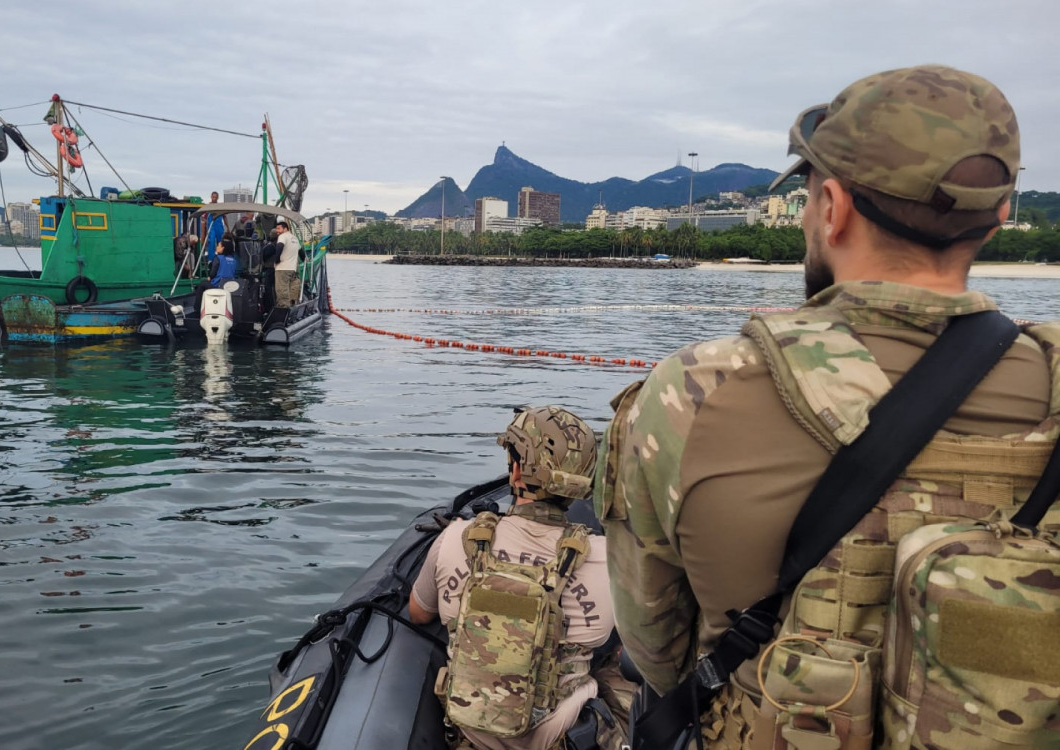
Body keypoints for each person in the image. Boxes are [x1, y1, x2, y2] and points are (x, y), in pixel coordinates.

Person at [595, 64, 1055, 748]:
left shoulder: (693, 393)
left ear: (833, 207)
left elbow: (656, 647)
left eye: (809, 197)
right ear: (1000, 216)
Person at [410, 406, 625, 750]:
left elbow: (419, 614)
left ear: (516, 471)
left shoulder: (455, 538)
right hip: (567, 739)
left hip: (467, 738)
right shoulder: (613, 560)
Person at [273, 220, 302, 306]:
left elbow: (279, 247)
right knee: (291, 290)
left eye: (279, 228)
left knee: (281, 291)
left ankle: (283, 310)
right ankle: (292, 307)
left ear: (285, 228)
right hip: (292, 269)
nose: (277, 231)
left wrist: (276, 260)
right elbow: (301, 252)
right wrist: (304, 259)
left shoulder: (282, 237)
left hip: (282, 268)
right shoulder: (295, 238)